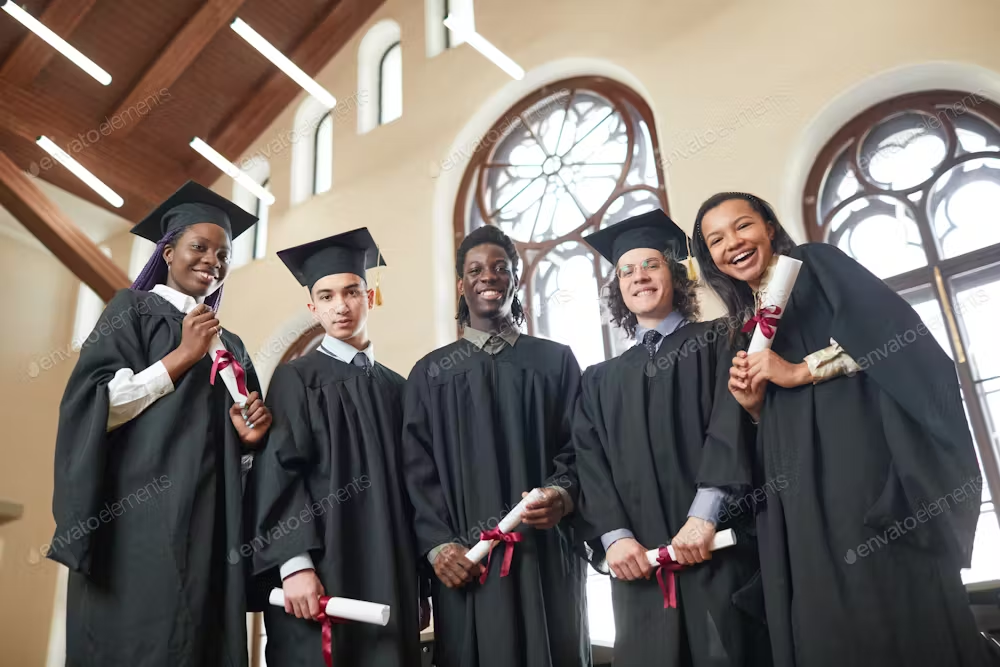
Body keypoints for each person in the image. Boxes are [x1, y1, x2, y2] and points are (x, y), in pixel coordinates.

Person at [693, 191, 993, 667]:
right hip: (793, 500)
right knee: (821, 620)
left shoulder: (816, 266)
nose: (733, 242)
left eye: (742, 226)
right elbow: (759, 430)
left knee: (887, 606)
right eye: (716, 239)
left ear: (769, 227)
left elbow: (895, 339)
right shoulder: (740, 330)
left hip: (857, 473)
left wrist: (797, 370)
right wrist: (752, 407)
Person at [48, 180, 272, 667]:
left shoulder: (230, 343)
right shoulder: (131, 309)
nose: (213, 260)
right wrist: (182, 356)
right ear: (167, 251)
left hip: (211, 521)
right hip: (136, 518)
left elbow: (242, 440)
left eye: (224, 253)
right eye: (199, 246)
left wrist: (251, 438)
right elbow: (93, 406)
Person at [573, 210, 771, 667]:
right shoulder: (599, 379)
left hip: (718, 554)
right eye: (626, 271)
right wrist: (615, 539)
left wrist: (705, 517)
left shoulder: (722, 340)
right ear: (618, 288)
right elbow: (590, 462)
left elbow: (732, 426)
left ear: (676, 275)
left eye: (651, 265)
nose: (638, 277)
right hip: (639, 567)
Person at [401, 224, 590, 667]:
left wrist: (562, 496)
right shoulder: (430, 375)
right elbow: (414, 473)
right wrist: (438, 547)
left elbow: (582, 447)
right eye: (475, 269)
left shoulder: (554, 361)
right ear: (461, 284)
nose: (488, 276)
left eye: (500, 268)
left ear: (515, 279)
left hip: (544, 555)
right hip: (467, 562)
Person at [248, 228, 424, 667]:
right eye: (326, 297)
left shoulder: (398, 388)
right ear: (312, 307)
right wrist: (294, 565)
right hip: (324, 571)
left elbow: (416, 490)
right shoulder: (296, 379)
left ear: (371, 296)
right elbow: (279, 473)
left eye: (351, 292)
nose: (340, 306)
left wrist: (419, 586)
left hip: (391, 570)